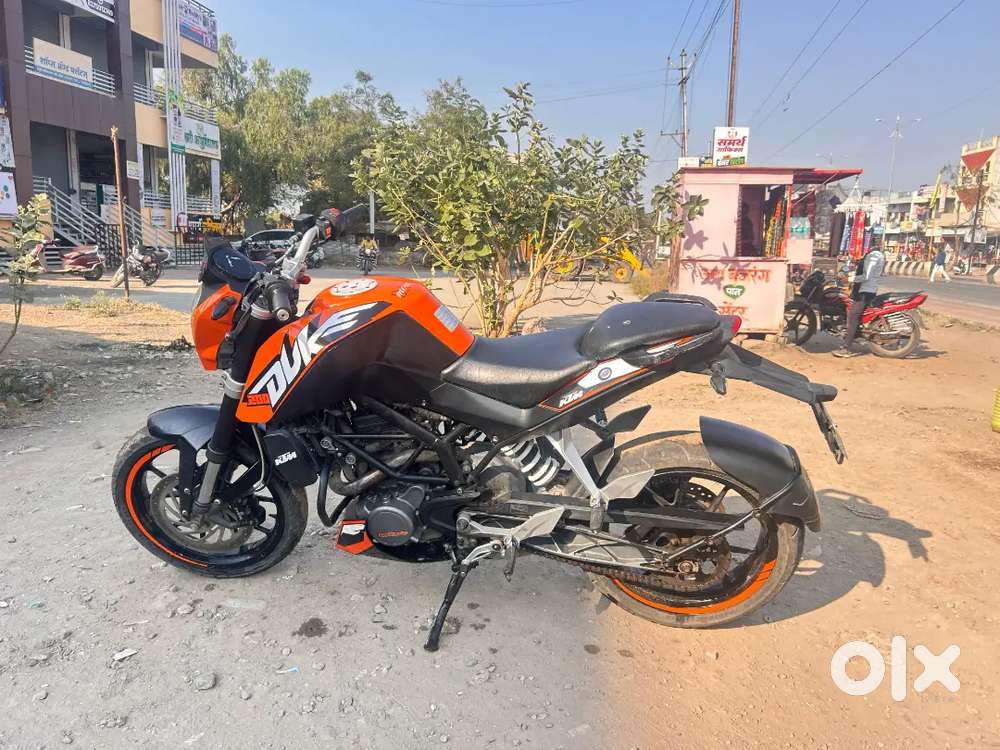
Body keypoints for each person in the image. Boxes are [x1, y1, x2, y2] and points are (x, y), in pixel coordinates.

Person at [833, 245, 886, 358]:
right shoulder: (875, 255)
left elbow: (866, 276)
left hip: (865, 292)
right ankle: (852, 335)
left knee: (853, 317)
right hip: (865, 290)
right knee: (850, 311)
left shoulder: (873, 256)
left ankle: (846, 348)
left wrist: (849, 279)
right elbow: (863, 271)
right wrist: (849, 274)